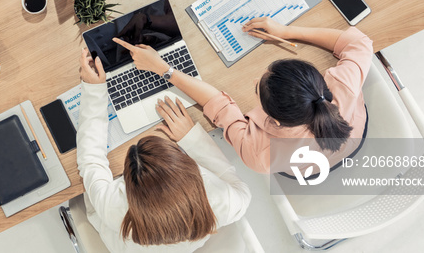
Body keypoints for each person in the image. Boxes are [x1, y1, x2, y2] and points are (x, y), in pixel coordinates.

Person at [113, 18, 373, 174]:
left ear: (276, 121)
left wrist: (164, 70)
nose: (254, 80)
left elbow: (220, 106)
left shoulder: (259, 153)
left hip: (307, 167)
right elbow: (360, 43)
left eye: (258, 87)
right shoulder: (343, 85)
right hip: (354, 136)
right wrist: (285, 31)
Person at [77, 48, 250, 251]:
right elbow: (230, 177)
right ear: (190, 170)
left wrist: (94, 90)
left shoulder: (114, 207)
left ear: (128, 187)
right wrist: (191, 137)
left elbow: (90, 159)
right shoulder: (224, 201)